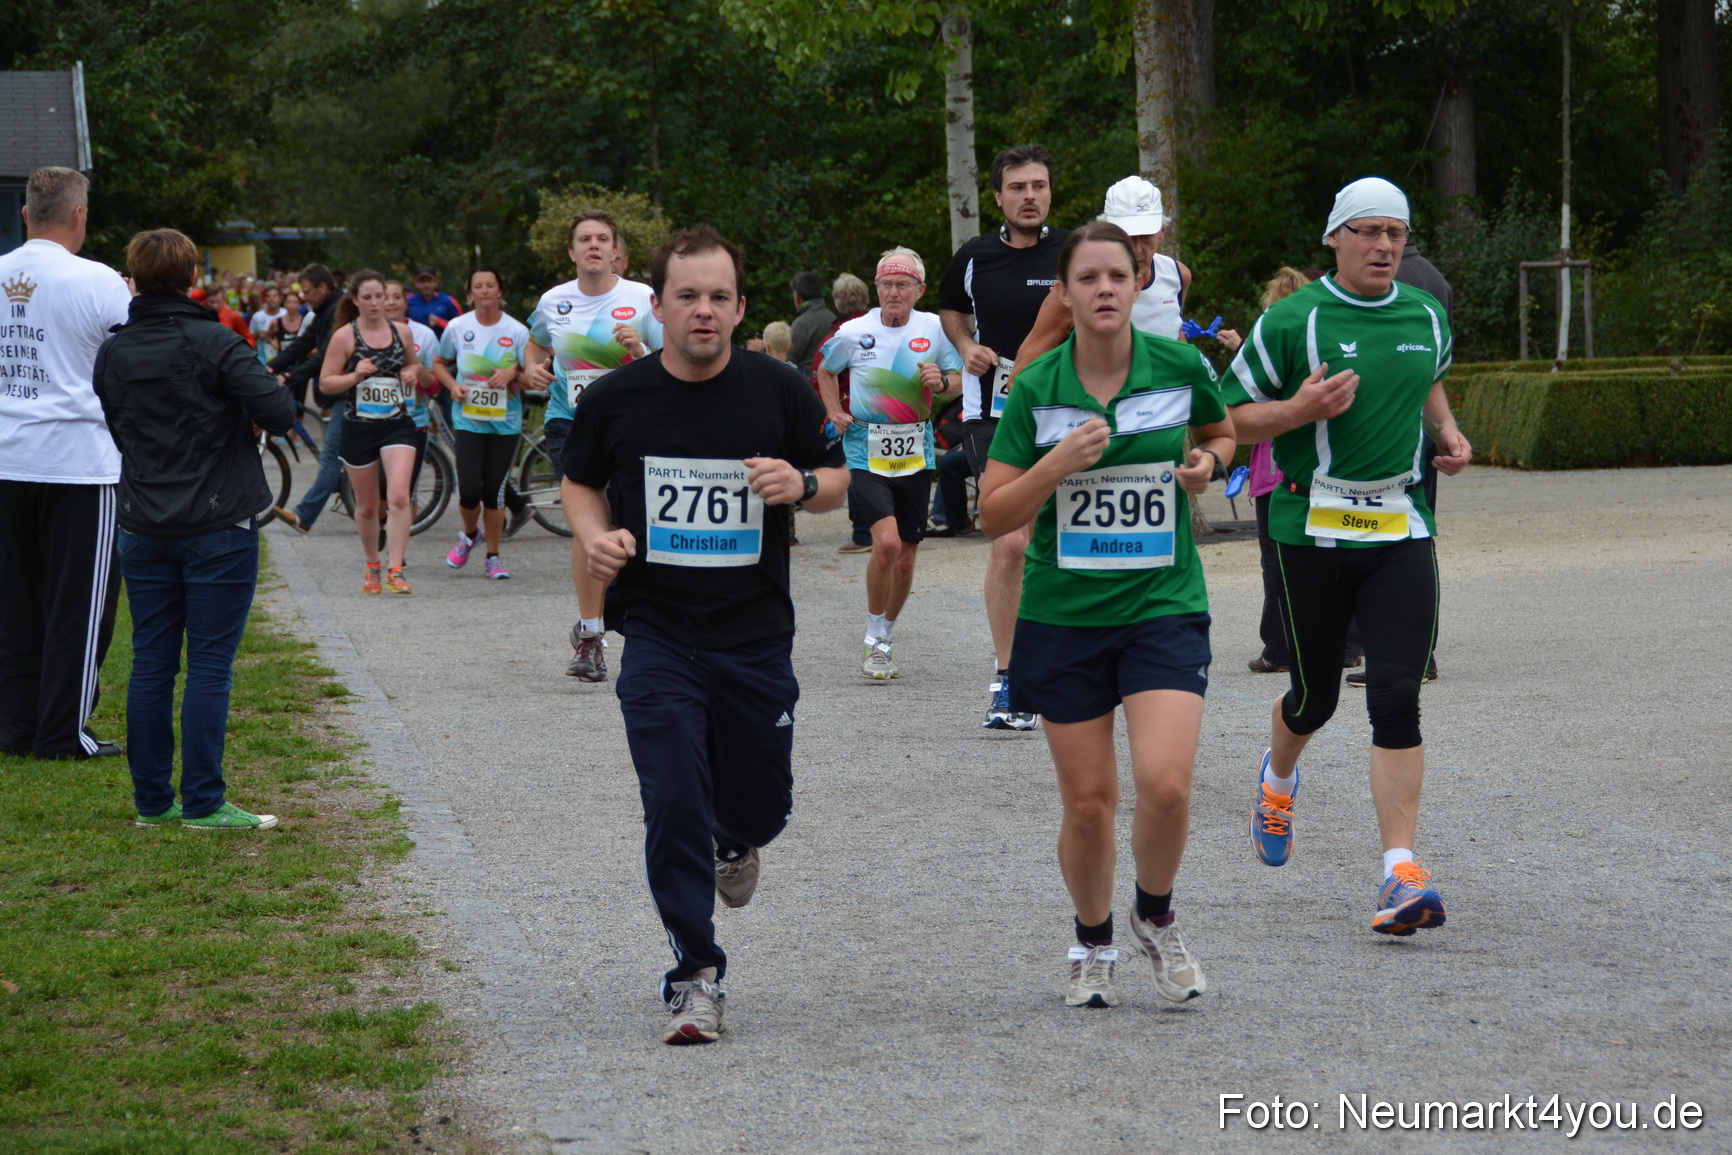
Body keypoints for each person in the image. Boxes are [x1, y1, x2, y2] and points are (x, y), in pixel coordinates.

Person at [561, 226, 847, 1045]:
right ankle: (695, 969)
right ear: (657, 306)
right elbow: (581, 482)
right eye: (687, 296)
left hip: (755, 636)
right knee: (671, 797)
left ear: (742, 307)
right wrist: (595, 536)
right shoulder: (617, 398)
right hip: (657, 630)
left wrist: (803, 483)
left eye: (719, 296)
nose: (703, 311)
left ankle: (738, 834)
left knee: (758, 805)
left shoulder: (781, 390)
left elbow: (842, 481)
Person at [978, 220, 1234, 1009]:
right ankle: (1092, 938)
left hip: (1162, 602)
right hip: (1065, 614)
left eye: (1117, 276)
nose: (1103, 290)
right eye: (1086, 278)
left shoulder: (1181, 365)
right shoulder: (1038, 384)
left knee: (1166, 783)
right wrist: (1054, 465)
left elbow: (1221, 433)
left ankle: (1154, 912)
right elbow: (992, 513)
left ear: (1139, 282)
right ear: (1064, 292)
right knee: (1089, 801)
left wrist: (1207, 466)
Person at [1219, 177, 1471, 936]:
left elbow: (1427, 382)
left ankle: (1400, 871)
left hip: (1401, 523)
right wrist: (1298, 411)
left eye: (1395, 233)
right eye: (1367, 231)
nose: (1384, 246)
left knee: (1396, 691)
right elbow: (1225, 416)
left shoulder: (1427, 314)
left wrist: (1448, 434)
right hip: (1310, 525)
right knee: (1316, 697)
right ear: (1334, 238)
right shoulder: (1292, 320)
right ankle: (1279, 773)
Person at [92, 228, 296, 829]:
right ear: (189, 279)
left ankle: (152, 804)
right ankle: (203, 802)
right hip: (217, 521)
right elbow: (281, 414)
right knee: (208, 664)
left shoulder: (115, 350)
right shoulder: (217, 342)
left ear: (134, 278)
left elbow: (113, 417)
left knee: (153, 663)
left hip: (143, 520)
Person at [0, 166, 132, 760]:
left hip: (7, 454)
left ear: (26, 214)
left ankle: (14, 727)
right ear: (79, 215)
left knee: (15, 600)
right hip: (78, 461)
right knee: (80, 604)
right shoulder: (99, 281)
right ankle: (61, 733)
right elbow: (132, 363)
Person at [937, 143, 1069, 731]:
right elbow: (949, 309)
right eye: (1018, 187)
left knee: (1062, 536)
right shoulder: (975, 255)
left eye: (1038, 185)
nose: (1030, 196)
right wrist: (966, 348)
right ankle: (1010, 676)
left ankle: (1071, 660)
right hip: (992, 411)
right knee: (1011, 539)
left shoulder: (1073, 251)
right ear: (998, 197)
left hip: (1064, 410)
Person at [525, 209, 662, 680]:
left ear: (616, 250)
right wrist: (533, 368)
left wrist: (641, 351)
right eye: (584, 239)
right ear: (571, 251)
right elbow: (534, 345)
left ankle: (632, 619)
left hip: (630, 423)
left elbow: (672, 361)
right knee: (591, 523)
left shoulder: (643, 298)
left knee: (629, 523)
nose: (594, 246)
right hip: (571, 421)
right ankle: (589, 635)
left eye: (603, 238)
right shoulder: (552, 301)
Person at [817, 247, 961, 680]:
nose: (894, 292)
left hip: (914, 450)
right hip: (865, 448)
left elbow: (959, 380)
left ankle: (887, 633)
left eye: (903, 284)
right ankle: (873, 638)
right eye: (886, 284)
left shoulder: (935, 328)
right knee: (887, 543)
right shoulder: (852, 330)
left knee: (906, 558)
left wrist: (943, 381)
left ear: (919, 289)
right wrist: (834, 412)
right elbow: (825, 369)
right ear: (876, 287)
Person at [1010, 176, 1192, 368]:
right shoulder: (1077, 290)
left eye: (1145, 236)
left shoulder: (1178, 275)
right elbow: (1021, 375)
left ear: (1162, 231)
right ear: (1105, 231)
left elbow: (1172, 333)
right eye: (1126, 236)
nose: (1137, 249)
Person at [318, 270, 421, 593]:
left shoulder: (401, 331)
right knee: (366, 505)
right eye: (368, 297)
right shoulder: (345, 337)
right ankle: (372, 565)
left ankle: (396, 568)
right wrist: (354, 376)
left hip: (397, 424)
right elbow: (325, 383)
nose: (376, 303)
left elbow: (413, 365)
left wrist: (410, 372)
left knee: (400, 496)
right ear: (355, 300)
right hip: (359, 427)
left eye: (380, 296)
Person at [435, 267, 530, 579]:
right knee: (468, 489)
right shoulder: (457, 327)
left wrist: (513, 374)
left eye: (491, 285)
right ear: (470, 293)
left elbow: (532, 378)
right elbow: (439, 363)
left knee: (494, 491)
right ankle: (469, 534)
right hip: (468, 419)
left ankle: (493, 556)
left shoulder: (516, 331)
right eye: (479, 286)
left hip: (506, 421)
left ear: (499, 291)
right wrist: (452, 386)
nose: (485, 290)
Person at [269, 265, 347, 531]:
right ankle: (343, 486)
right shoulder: (324, 310)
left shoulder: (340, 310)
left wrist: (290, 377)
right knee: (334, 456)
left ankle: (303, 516)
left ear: (323, 288)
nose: (304, 298)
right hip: (337, 391)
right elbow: (304, 343)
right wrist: (272, 366)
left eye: (306, 292)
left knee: (330, 457)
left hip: (348, 392)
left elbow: (325, 353)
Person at [822, 272, 876, 554]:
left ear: (837, 301)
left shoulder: (838, 336)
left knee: (858, 472)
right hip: (887, 410)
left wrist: (831, 413)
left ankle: (864, 535)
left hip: (849, 413)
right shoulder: (882, 328)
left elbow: (819, 376)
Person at [383, 280, 441, 497]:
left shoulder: (424, 335)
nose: (391, 303)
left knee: (406, 493)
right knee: (379, 490)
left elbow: (434, 387)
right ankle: (381, 530)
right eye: (385, 297)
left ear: (405, 301)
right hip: (373, 423)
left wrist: (417, 369)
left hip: (413, 423)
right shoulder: (361, 333)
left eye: (396, 297)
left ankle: (399, 531)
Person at [786, 271, 835, 374]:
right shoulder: (832, 317)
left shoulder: (802, 323)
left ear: (798, 297)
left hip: (807, 384)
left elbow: (787, 358)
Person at [407, 265, 462, 334]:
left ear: (436, 282)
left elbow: (460, 328)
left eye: (429, 281)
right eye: (422, 281)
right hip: (416, 343)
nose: (426, 285)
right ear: (416, 283)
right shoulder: (408, 301)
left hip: (443, 343)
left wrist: (439, 322)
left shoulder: (449, 301)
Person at [251, 283, 286, 364]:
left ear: (280, 298)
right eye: (268, 296)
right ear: (265, 299)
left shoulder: (285, 314)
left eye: (274, 296)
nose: (271, 299)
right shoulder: (257, 316)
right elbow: (252, 336)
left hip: (283, 358)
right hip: (262, 360)